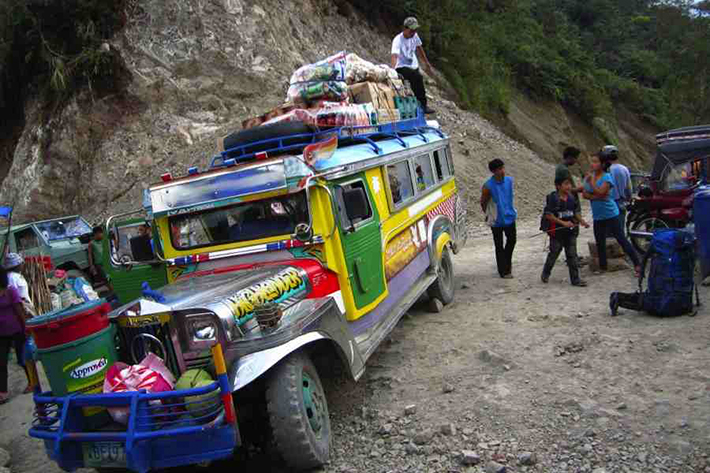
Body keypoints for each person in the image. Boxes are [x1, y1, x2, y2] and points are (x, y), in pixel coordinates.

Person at [583, 154, 641, 276]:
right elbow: (585, 194)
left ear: (603, 164)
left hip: (610, 213)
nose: (592, 164)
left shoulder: (607, 177)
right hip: (598, 215)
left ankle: (637, 264)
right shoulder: (590, 177)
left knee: (621, 239)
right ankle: (602, 267)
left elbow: (601, 193)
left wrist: (593, 185)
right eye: (591, 161)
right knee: (600, 241)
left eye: (595, 162)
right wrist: (596, 195)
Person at [541, 177, 590, 287]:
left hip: (570, 232)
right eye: (566, 184)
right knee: (554, 253)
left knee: (572, 255)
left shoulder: (572, 198)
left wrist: (582, 221)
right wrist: (563, 223)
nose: (569, 186)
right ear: (558, 186)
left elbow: (574, 212)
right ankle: (546, 273)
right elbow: (548, 215)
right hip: (557, 233)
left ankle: (575, 280)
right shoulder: (553, 199)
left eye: (569, 184)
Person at [481, 159, 518, 279]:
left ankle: (506, 264)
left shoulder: (509, 181)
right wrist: (490, 214)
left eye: (503, 168)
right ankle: (504, 271)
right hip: (496, 220)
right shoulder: (488, 186)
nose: (502, 171)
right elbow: (483, 202)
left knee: (512, 241)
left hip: (510, 216)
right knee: (499, 245)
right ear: (493, 171)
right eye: (499, 169)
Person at [391, 16, 435, 115]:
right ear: (405, 29)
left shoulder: (414, 36)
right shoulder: (398, 40)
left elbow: (419, 48)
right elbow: (394, 56)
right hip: (401, 67)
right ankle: (419, 106)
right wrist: (393, 71)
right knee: (417, 77)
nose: (413, 33)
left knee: (418, 82)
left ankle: (422, 105)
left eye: (415, 30)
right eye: (411, 31)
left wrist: (426, 63)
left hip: (412, 66)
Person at [0, 268, 28, 403]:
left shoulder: (11, 291)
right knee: (1, 362)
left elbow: (20, 311)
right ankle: (3, 392)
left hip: (17, 330)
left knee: (22, 359)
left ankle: (32, 382)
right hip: (1, 333)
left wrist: (26, 328)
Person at [600, 145, 632, 232]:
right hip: (621, 203)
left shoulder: (604, 170)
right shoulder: (624, 169)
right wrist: (629, 199)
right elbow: (628, 189)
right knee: (619, 232)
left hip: (607, 205)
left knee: (607, 233)